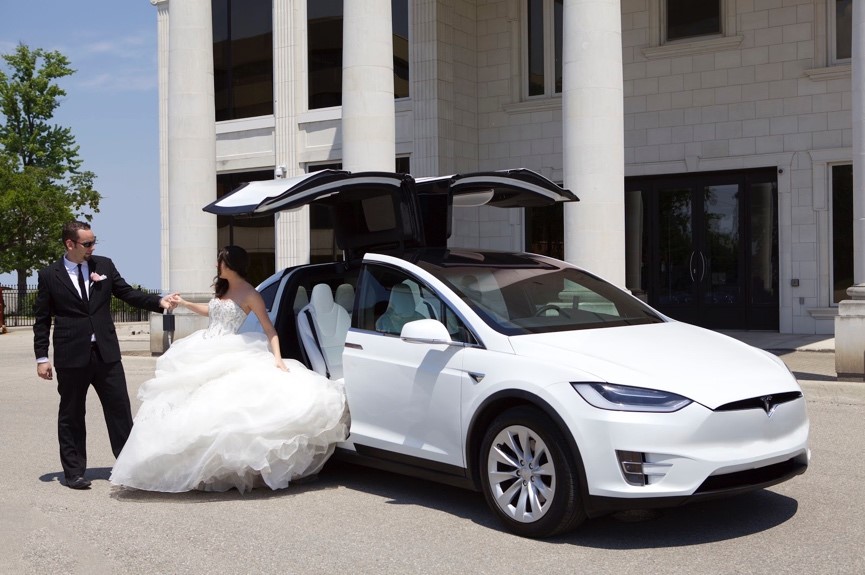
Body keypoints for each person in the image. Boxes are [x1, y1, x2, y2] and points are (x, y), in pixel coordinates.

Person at [109, 246, 348, 493]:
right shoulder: (221, 288)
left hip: (231, 349)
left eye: (220, 262)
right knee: (190, 407)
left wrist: (278, 359)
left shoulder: (251, 294)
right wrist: (185, 303)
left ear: (231, 264)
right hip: (204, 347)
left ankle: (230, 468)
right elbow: (211, 312)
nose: (216, 266)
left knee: (226, 409)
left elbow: (269, 329)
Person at [33, 220, 175, 490]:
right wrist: (42, 357)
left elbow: (127, 293)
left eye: (94, 241)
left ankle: (130, 467)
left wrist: (158, 301)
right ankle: (74, 472)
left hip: (106, 353)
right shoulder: (49, 275)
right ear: (70, 244)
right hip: (71, 354)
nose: (92, 247)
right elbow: (41, 320)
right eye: (87, 243)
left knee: (120, 410)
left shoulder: (104, 265)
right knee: (72, 413)